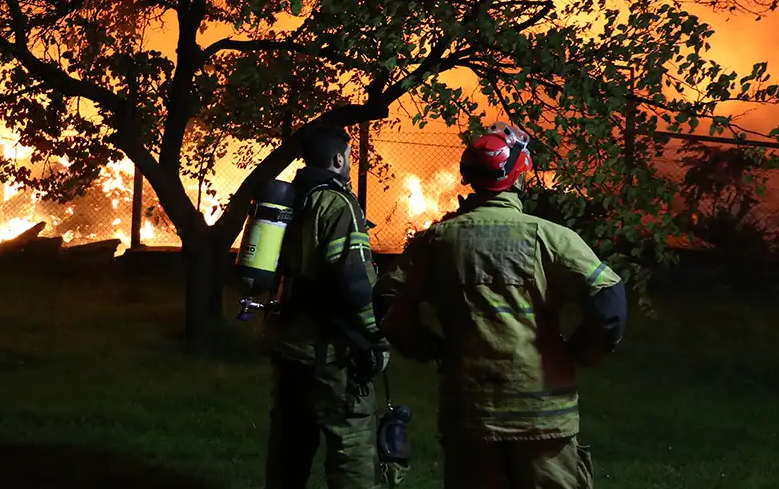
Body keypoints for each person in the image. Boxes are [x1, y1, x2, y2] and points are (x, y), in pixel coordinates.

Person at [376, 125, 627, 489]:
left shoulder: (437, 240)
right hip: (544, 417)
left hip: (470, 415)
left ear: (469, 176)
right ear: (520, 177)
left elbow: (387, 299)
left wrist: (428, 347)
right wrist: (580, 352)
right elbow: (610, 301)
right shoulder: (551, 238)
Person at [261, 123, 390, 489]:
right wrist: (376, 337)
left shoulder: (292, 198)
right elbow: (355, 282)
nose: (349, 162)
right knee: (351, 447)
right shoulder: (337, 203)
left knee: (289, 446)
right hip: (331, 353)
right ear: (337, 159)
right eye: (348, 156)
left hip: (289, 346)